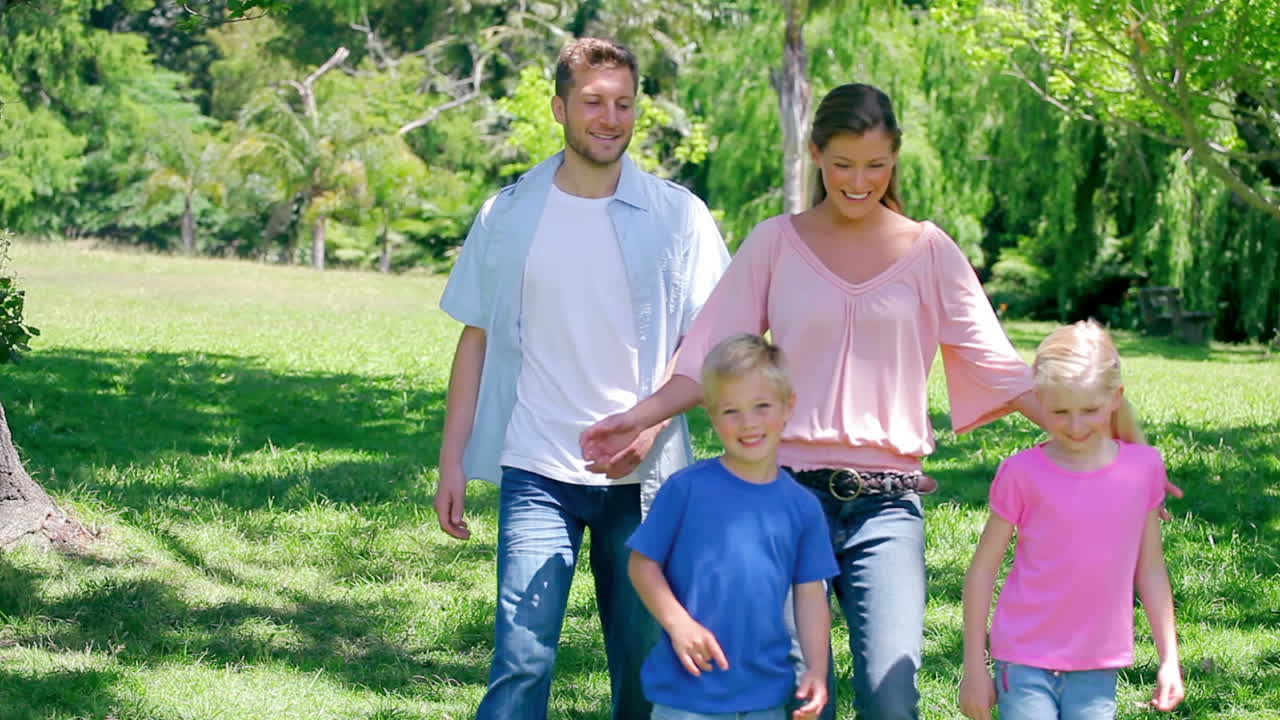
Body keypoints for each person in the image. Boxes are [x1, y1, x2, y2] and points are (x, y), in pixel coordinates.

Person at [582, 82, 1064, 720]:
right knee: (795, 696)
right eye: (842, 164)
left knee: (892, 698)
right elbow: (708, 357)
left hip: (887, 507)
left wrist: (1104, 447)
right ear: (815, 154)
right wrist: (641, 420)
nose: (859, 181)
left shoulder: (928, 251)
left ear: (895, 159)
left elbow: (1001, 368)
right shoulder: (776, 242)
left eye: (875, 165)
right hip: (778, 499)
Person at [432, 38, 730, 720]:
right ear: (560, 108)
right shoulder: (506, 213)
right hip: (537, 469)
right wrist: (452, 461)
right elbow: (475, 337)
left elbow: (711, 344)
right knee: (521, 661)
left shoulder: (678, 216)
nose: (610, 117)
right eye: (593, 102)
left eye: (624, 103)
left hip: (644, 479)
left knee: (643, 669)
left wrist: (650, 425)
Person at [958, 320, 1185, 720]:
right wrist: (974, 667)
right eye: (1061, 411)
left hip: (1098, 662)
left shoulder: (1143, 468)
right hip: (1022, 656)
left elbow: (1150, 569)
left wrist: (1169, 659)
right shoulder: (1020, 473)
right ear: (1039, 399)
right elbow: (982, 571)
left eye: (1090, 411)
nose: (1076, 426)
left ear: (1116, 398)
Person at [627, 334, 839, 720]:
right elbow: (642, 565)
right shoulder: (685, 489)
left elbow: (810, 595)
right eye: (731, 411)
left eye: (762, 407)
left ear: (788, 406)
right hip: (686, 690)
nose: (748, 423)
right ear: (710, 414)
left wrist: (816, 669)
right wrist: (679, 625)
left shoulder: (803, 508)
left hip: (765, 692)